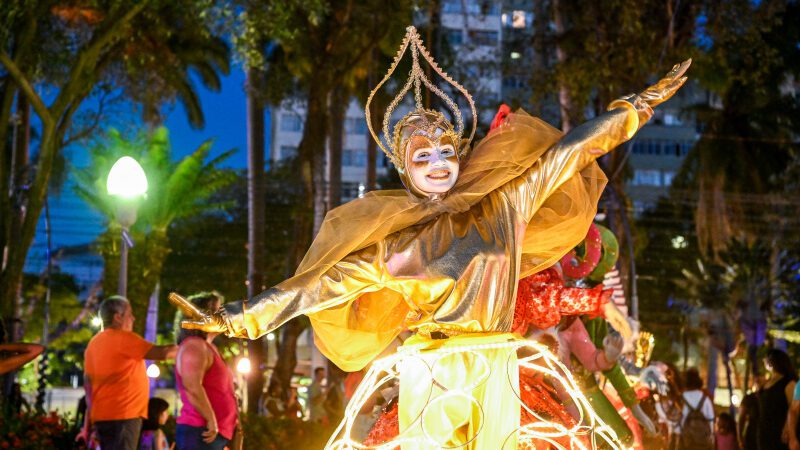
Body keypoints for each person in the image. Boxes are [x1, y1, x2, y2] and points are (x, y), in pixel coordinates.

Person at [171, 26, 689, 450]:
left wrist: (634, 109)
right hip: (432, 368)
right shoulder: (396, 248)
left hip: (498, 360)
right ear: (406, 171)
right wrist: (238, 317)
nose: (439, 164)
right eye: (423, 157)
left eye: (446, 152)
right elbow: (315, 287)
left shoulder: (504, 205)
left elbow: (567, 155)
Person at [80, 296, 178, 450]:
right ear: (118, 317)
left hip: (101, 419)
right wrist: (190, 343)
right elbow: (164, 353)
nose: (133, 318)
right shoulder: (124, 338)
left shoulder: (93, 344)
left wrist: (87, 426)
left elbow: (88, 388)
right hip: (124, 416)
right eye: (129, 314)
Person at [175, 292, 238, 450]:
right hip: (201, 432)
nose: (223, 316)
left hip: (212, 433)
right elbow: (192, 386)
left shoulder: (208, 347)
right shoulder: (194, 346)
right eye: (218, 311)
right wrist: (211, 420)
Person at [757, 348, 797, 450]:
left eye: (766, 358)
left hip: (779, 431)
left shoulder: (788, 382)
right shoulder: (767, 382)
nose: (763, 361)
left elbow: (793, 408)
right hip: (764, 431)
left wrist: (787, 427)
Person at [676, 368, 714, 450]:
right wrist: (711, 436)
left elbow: (678, 420)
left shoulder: (681, 398)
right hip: (703, 442)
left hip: (686, 441)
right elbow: (711, 419)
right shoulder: (705, 399)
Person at [738, 374, 763, 450]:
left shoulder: (768, 396)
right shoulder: (749, 398)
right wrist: (740, 437)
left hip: (764, 433)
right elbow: (741, 418)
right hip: (752, 434)